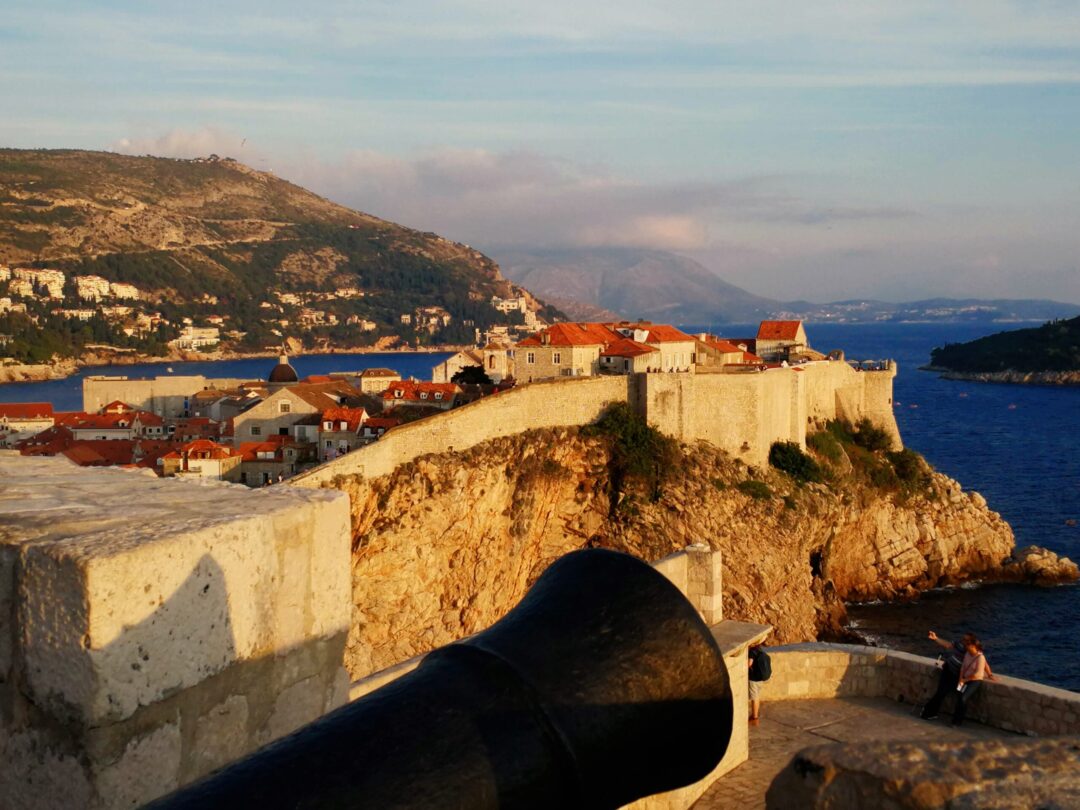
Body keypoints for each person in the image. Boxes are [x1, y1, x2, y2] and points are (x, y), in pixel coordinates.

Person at [921, 630, 992, 724]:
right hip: (948, 669)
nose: (962, 640)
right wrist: (936, 638)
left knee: (945, 693)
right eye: (963, 638)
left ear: (970, 642)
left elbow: (982, 660)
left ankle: (929, 712)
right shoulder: (960, 644)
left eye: (965, 639)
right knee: (941, 692)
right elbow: (948, 644)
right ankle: (929, 712)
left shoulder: (970, 649)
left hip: (956, 674)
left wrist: (990, 674)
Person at [748, 644, 771, 723]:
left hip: (753, 679)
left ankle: (754, 717)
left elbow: (749, 663)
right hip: (760, 678)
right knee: (757, 697)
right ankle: (755, 714)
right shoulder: (760, 650)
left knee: (754, 698)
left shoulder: (751, 651)